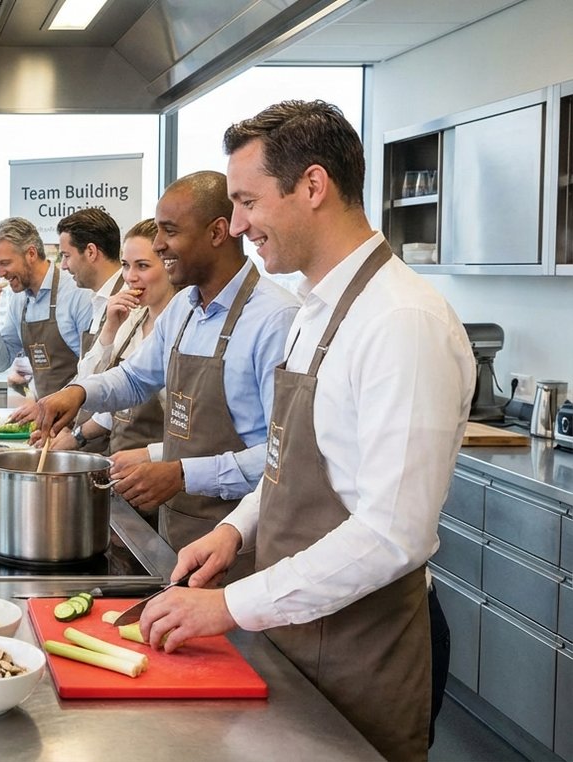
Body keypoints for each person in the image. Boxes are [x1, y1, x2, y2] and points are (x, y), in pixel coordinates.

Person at [138, 100, 474, 762]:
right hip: (295, 630)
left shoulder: (402, 322)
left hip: (361, 649)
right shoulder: (312, 314)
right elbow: (287, 463)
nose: (236, 226)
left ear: (313, 186)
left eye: (247, 202)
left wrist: (233, 605)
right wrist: (236, 528)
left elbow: (392, 532)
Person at [24, 171, 299, 575]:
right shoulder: (185, 308)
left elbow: (282, 458)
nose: (158, 244)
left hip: (240, 546)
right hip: (177, 531)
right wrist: (79, 393)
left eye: (169, 231)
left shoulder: (274, 318)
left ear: (218, 232)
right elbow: (135, 378)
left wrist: (185, 473)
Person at [0, 217, 93, 398]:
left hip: (81, 416)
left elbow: (94, 369)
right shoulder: (18, 300)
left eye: (5, 263)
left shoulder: (76, 292)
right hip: (44, 416)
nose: (0, 274)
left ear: (31, 254)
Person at [52, 207, 126, 453]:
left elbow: (128, 388)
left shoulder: (127, 302)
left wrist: (77, 435)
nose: (63, 266)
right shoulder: (99, 301)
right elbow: (89, 371)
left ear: (91, 252)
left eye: (66, 256)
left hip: (117, 446)